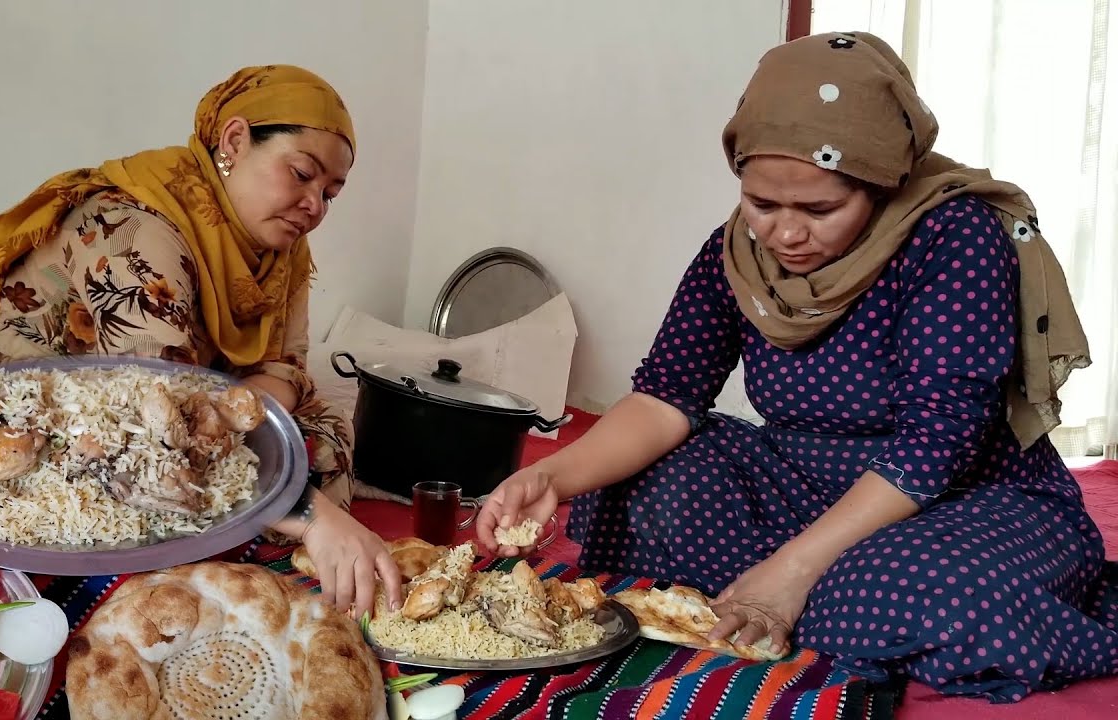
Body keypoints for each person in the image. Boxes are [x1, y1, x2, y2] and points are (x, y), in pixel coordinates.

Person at [477, 32, 1118, 702]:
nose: (785, 234)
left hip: (957, 499)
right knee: (641, 488)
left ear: (879, 182)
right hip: (799, 485)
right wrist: (549, 474)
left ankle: (810, 589)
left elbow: (936, 448)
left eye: (819, 210)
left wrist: (794, 568)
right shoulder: (736, 253)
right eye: (762, 204)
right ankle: (814, 595)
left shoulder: (954, 239)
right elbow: (665, 397)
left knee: (933, 591)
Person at [0, 65, 401, 618]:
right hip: (49, 421)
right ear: (235, 141)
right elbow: (155, 423)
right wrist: (312, 511)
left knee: (321, 433)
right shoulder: (137, 227)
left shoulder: (283, 252)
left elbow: (286, 365)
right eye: (301, 173)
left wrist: (238, 418)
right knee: (148, 476)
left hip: (178, 396)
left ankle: (247, 512)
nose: (314, 205)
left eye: (330, 193)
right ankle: (253, 523)